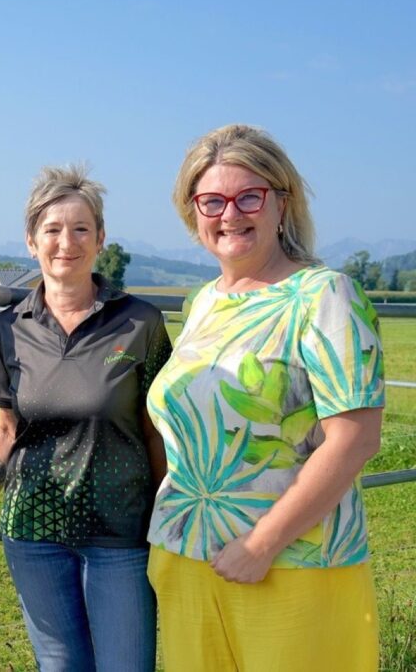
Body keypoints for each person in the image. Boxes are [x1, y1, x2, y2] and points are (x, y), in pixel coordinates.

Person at [146, 124, 385, 671]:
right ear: (192, 212)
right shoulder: (203, 302)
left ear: (283, 202)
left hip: (292, 565)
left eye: (248, 197)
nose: (229, 214)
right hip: (186, 558)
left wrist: (261, 545)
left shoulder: (325, 295)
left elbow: (355, 440)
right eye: (212, 201)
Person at [0, 165, 172, 671]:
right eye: (51, 229)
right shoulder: (8, 328)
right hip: (32, 532)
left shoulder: (141, 323)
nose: (66, 242)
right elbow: (6, 432)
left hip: (121, 533)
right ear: (31, 242)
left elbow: (157, 433)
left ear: (101, 238)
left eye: (81, 228)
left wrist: (167, 518)